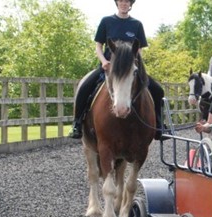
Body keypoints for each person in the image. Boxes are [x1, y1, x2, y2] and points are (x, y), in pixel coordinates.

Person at [69, 0, 165, 140]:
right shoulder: (106, 21)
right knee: (84, 86)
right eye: (121, 1)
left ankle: (160, 126)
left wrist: (135, 65)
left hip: (130, 68)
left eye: (126, 1)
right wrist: (103, 62)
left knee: (158, 90)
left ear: (130, 4)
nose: (124, 4)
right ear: (117, 3)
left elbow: (139, 50)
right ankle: (77, 123)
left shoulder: (137, 25)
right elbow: (98, 46)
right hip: (109, 67)